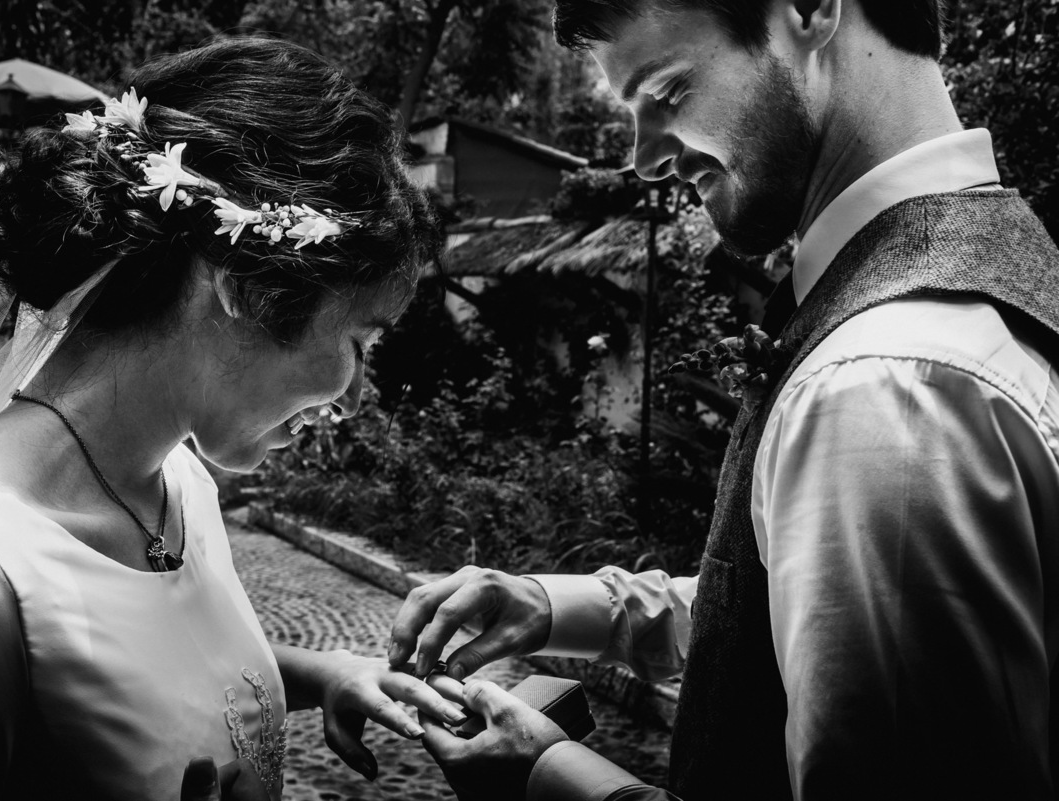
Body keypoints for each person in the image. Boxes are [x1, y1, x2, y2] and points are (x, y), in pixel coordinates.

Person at [389, 1, 1059, 799]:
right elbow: (805, 602)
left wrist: (547, 773)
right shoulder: (996, 264)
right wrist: (557, 605)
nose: (641, 160)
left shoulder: (881, 387)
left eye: (669, 93)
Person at [0, 37, 472, 800]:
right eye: (359, 341)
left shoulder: (176, 479)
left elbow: (144, 670)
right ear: (245, 288)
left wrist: (332, 671)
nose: (354, 395)